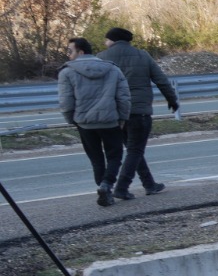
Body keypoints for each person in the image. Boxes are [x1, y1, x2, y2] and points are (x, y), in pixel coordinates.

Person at [99, 27, 178, 198]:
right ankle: (122, 187)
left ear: (112, 40)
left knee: (134, 150)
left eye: (106, 40)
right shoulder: (142, 55)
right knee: (135, 150)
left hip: (114, 113)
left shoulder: (101, 58)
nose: (105, 43)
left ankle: (149, 184)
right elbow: (162, 81)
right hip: (139, 111)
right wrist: (172, 100)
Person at [58, 37, 130, 207]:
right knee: (115, 156)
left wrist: (72, 120)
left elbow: (66, 102)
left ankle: (103, 187)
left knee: (96, 158)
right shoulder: (112, 69)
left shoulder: (66, 72)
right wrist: (122, 118)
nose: (68, 54)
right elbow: (124, 97)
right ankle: (107, 185)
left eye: (70, 51)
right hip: (110, 121)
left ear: (80, 52)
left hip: (85, 124)